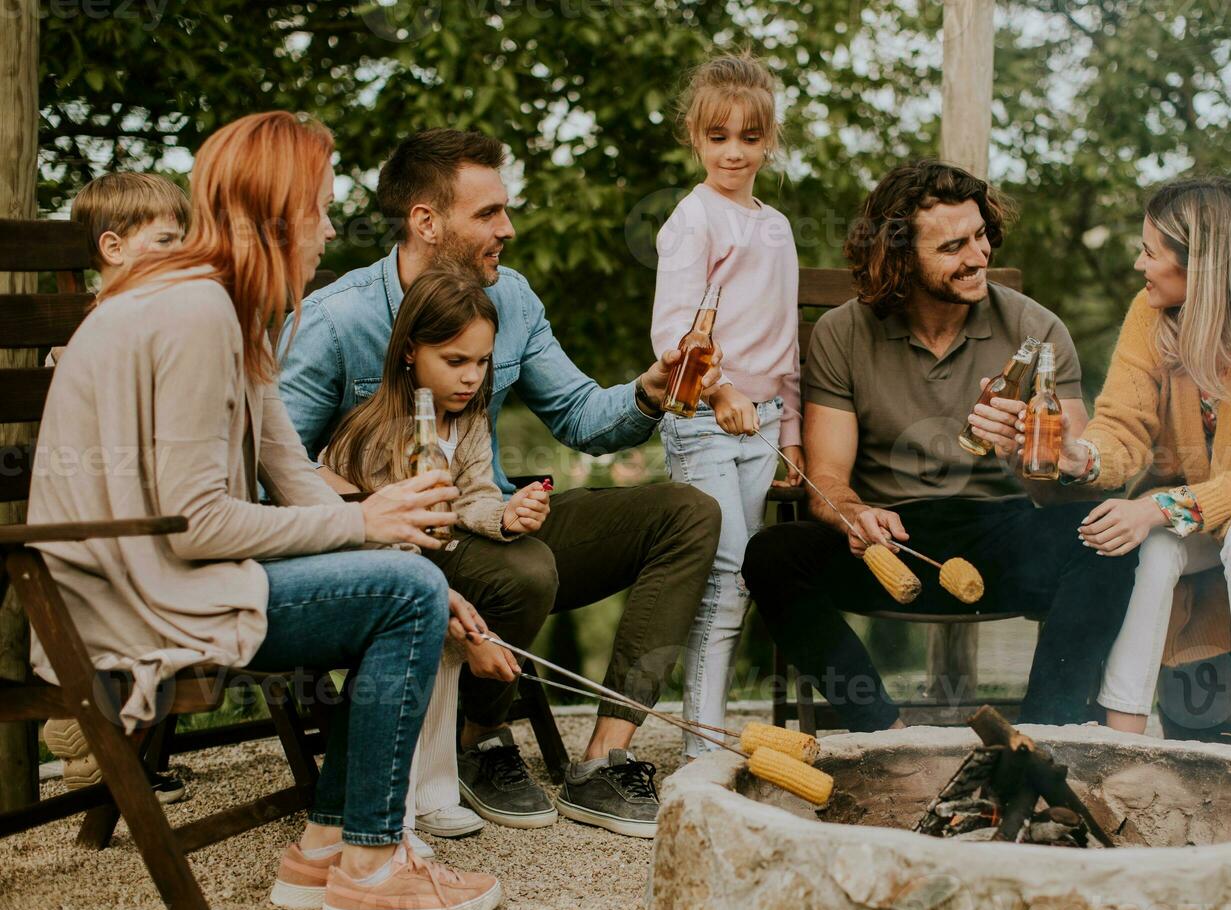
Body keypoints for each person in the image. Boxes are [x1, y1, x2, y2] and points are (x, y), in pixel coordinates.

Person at [28, 110, 501, 910]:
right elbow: (197, 524)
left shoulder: (230, 312)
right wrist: (368, 534)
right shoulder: (194, 312)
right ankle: (372, 868)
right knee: (402, 594)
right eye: (317, 208)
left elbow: (288, 472)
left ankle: (326, 847)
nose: (325, 229)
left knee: (411, 585)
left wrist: (402, 551)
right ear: (281, 216)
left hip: (162, 574)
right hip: (125, 600)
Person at [278, 128, 721, 839]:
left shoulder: (510, 299)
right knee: (526, 570)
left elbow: (579, 416)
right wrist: (371, 516)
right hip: (399, 546)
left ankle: (606, 760)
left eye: (503, 211)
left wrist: (647, 391)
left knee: (688, 513)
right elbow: (277, 469)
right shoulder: (337, 320)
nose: (507, 229)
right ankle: (478, 739)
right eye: (488, 214)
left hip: (496, 518)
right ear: (426, 220)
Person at [743, 160, 1138, 731]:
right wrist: (855, 516)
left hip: (1001, 533)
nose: (978, 257)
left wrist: (1025, 455)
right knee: (772, 554)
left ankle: (1041, 738)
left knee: (1106, 540)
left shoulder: (1037, 330)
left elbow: (1071, 486)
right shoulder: (843, 332)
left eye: (980, 237)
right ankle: (884, 733)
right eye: (953, 246)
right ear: (900, 257)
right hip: (892, 541)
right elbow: (826, 479)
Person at [1038, 176, 1231, 756]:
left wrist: (1155, 507)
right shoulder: (1151, 314)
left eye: (1151, 252)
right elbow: (1123, 422)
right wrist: (1082, 454)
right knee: (1154, 549)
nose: (1139, 265)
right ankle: (1120, 744)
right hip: (1188, 507)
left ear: (1200, 265)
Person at [320, 267, 555, 843]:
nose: (472, 378)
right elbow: (368, 529)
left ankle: (435, 790)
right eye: (455, 361)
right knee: (429, 639)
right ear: (409, 352)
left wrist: (504, 515)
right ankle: (392, 803)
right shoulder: (375, 431)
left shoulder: (470, 422)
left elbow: (471, 496)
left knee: (449, 644)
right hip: (376, 575)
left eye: (481, 362)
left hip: (429, 566)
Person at [650, 53, 803, 759]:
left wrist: (792, 431)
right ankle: (701, 748)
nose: (734, 151)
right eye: (718, 137)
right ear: (695, 137)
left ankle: (705, 735)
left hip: (764, 424)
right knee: (722, 574)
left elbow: (785, 339)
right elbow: (672, 332)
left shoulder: (774, 224)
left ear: (769, 139)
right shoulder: (693, 219)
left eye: (748, 136)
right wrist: (721, 389)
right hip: (707, 424)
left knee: (740, 580)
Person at [41, 175, 192, 797]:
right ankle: (87, 730)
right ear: (113, 248)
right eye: (167, 240)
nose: (183, 254)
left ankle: (104, 739)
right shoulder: (99, 336)